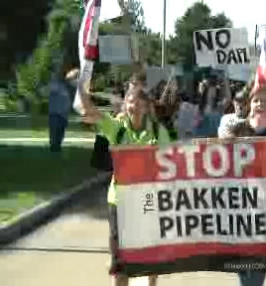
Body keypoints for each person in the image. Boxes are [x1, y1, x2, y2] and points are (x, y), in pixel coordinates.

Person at [77, 77, 177, 286]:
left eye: (140, 102)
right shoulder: (117, 128)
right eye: (131, 101)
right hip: (119, 200)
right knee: (120, 262)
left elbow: (171, 165)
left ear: (148, 106)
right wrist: (80, 83)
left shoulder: (159, 132)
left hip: (148, 200)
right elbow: (89, 110)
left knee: (149, 255)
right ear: (125, 104)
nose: (135, 105)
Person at [218, 83, 266, 286]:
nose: (260, 104)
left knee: (259, 261)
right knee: (241, 259)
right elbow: (221, 156)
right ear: (249, 104)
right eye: (256, 100)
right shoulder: (238, 128)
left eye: (265, 101)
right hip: (239, 202)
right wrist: (228, 142)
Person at [48, 68, 78, 152]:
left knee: (61, 130)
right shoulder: (55, 84)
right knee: (54, 130)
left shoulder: (69, 85)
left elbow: (76, 83)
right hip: (55, 112)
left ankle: (57, 145)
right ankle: (54, 146)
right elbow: (53, 89)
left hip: (64, 112)